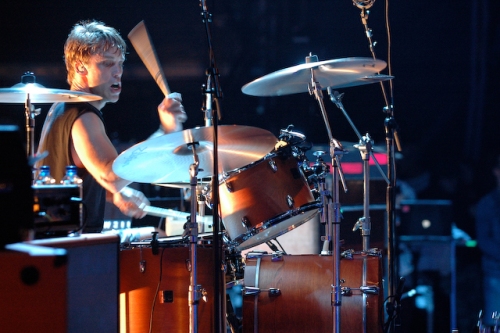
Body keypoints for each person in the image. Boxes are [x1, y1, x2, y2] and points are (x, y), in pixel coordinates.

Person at [36, 20, 187, 233]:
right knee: (162, 239)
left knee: (155, 234)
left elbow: (75, 179)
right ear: (80, 66)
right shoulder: (84, 117)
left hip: (57, 242)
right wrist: (166, 133)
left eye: (120, 63)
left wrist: (115, 194)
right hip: (75, 248)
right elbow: (112, 176)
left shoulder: (61, 106)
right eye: (107, 63)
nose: (118, 72)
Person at [475, 155, 500, 326]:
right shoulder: (487, 203)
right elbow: (483, 240)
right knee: (495, 321)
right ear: (496, 171)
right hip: (495, 273)